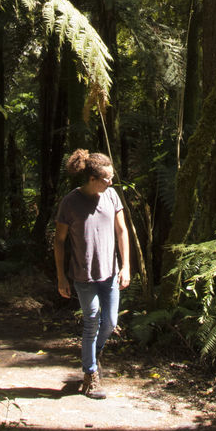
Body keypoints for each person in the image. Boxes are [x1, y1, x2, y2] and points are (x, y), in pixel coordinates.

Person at [54, 148, 130, 399]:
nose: (111, 182)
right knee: (92, 321)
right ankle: (90, 374)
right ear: (91, 179)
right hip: (83, 275)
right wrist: (61, 277)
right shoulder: (70, 202)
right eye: (106, 178)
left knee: (110, 323)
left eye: (111, 177)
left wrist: (126, 266)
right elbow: (59, 241)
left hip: (110, 273)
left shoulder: (112, 197)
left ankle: (92, 360)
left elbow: (122, 232)